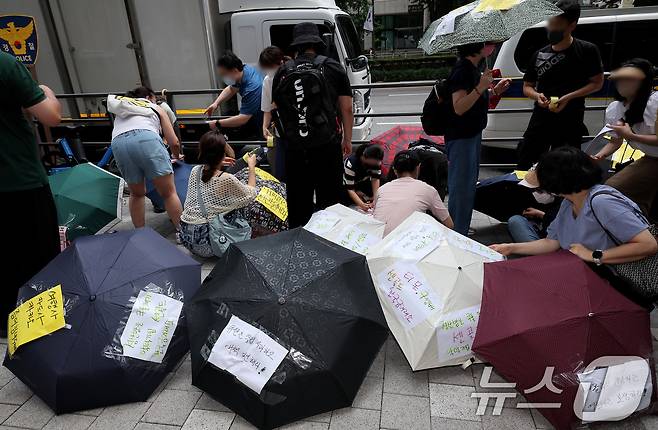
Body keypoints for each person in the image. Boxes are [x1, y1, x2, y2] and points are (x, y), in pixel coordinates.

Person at [491, 147, 658, 264]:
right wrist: (510, 248)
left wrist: (594, 255)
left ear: (556, 182)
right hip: (586, 272)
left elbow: (648, 245)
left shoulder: (602, 202)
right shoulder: (568, 202)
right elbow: (552, 242)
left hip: (613, 281)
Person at [0, 51, 62, 336]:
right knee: (39, 262)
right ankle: (40, 329)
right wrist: (46, 92)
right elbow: (51, 116)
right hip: (21, 181)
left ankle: (7, 324)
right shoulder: (5, 63)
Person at [272, 22, 354, 227]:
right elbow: (347, 108)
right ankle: (330, 243)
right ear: (317, 43)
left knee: (299, 201)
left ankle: (301, 246)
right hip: (327, 145)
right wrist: (347, 140)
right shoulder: (332, 67)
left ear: (296, 45)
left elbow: (277, 108)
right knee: (330, 200)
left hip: (295, 148)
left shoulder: (283, 71)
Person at [518, 0, 604, 170]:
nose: (551, 28)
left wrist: (569, 97)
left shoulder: (587, 51)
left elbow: (597, 83)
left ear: (572, 25)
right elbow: (527, 86)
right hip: (541, 117)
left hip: (571, 118)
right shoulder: (539, 53)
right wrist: (537, 96)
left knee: (566, 167)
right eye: (550, 22)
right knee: (526, 161)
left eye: (557, 24)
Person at [445, 41, 511, 235]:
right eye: (487, 43)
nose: (490, 46)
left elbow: (474, 101)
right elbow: (459, 107)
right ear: (476, 46)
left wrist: (494, 91)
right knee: (461, 186)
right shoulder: (462, 71)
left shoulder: (473, 69)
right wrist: (481, 86)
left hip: (471, 134)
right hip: (462, 136)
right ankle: (457, 231)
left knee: (467, 183)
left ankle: (461, 227)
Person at [109, 87, 183, 229]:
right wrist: (176, 155)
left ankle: (140, 235)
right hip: (147, 139)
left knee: (136, 194)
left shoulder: (122, 107)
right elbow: (174, 141)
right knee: (168, 193)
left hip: (118, 143)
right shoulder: (154, 107)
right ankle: (182, 233)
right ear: (149, 97)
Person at [593, 59, 658, 216]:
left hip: (653, 160)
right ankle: (639, 226)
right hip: (651, 159)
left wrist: (630, 135)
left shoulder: (655, 103)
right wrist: (599, 155)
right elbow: (616, 140)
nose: (622, 84)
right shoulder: (617, 108)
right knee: (612, 190)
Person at [179, 131, 257, 257]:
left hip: (188, 239)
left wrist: (218, 162)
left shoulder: (195, 170)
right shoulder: (225, 178)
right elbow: (251, 194)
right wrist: (251, 166)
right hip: (209, 243)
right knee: (242, 205)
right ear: (222, 154)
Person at [373, 151, 453, 236]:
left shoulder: (381, 189)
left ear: (394, 170)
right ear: (418, 167)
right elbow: (449, 224)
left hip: (377, 244)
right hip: (408, 244)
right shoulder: (427, 189)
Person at [205, 52, 263, 140]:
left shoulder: (252, 87)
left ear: (234, 71)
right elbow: (232, 89)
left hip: (263, 120)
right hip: (255, 115)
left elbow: (243, 118)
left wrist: (217, 123)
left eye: (224, 74)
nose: (223, 78)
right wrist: (216, 103)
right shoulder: (244, 70)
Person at [507, 165, 561, 243]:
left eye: (538, 190)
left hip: (552, 245)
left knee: (516, 221)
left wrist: (511, 248)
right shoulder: (559, 201)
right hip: (548, 239)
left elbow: (554, 241)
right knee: (516, 220)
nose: (535, 192)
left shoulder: (565, 204)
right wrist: (540, 214)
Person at [259, 46, 289, 180]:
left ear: (280, 62)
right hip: (280, 130)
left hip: (296, 131)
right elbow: (267, 108)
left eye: (270, 66)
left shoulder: (292, 74)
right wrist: (265, 126)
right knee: (280, 170)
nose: (269, 70)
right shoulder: (268, 79)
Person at [343, 143, 384, 211]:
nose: (377, 164)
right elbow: (350, 189)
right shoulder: (350, 164)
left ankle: (366, 198)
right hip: (347, 185)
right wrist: (361, 204)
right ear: (364, 157)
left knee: (380, 189)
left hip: (362, 182)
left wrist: (375, 198)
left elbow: (375, 179)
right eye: (373, 163)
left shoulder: (376, 162)